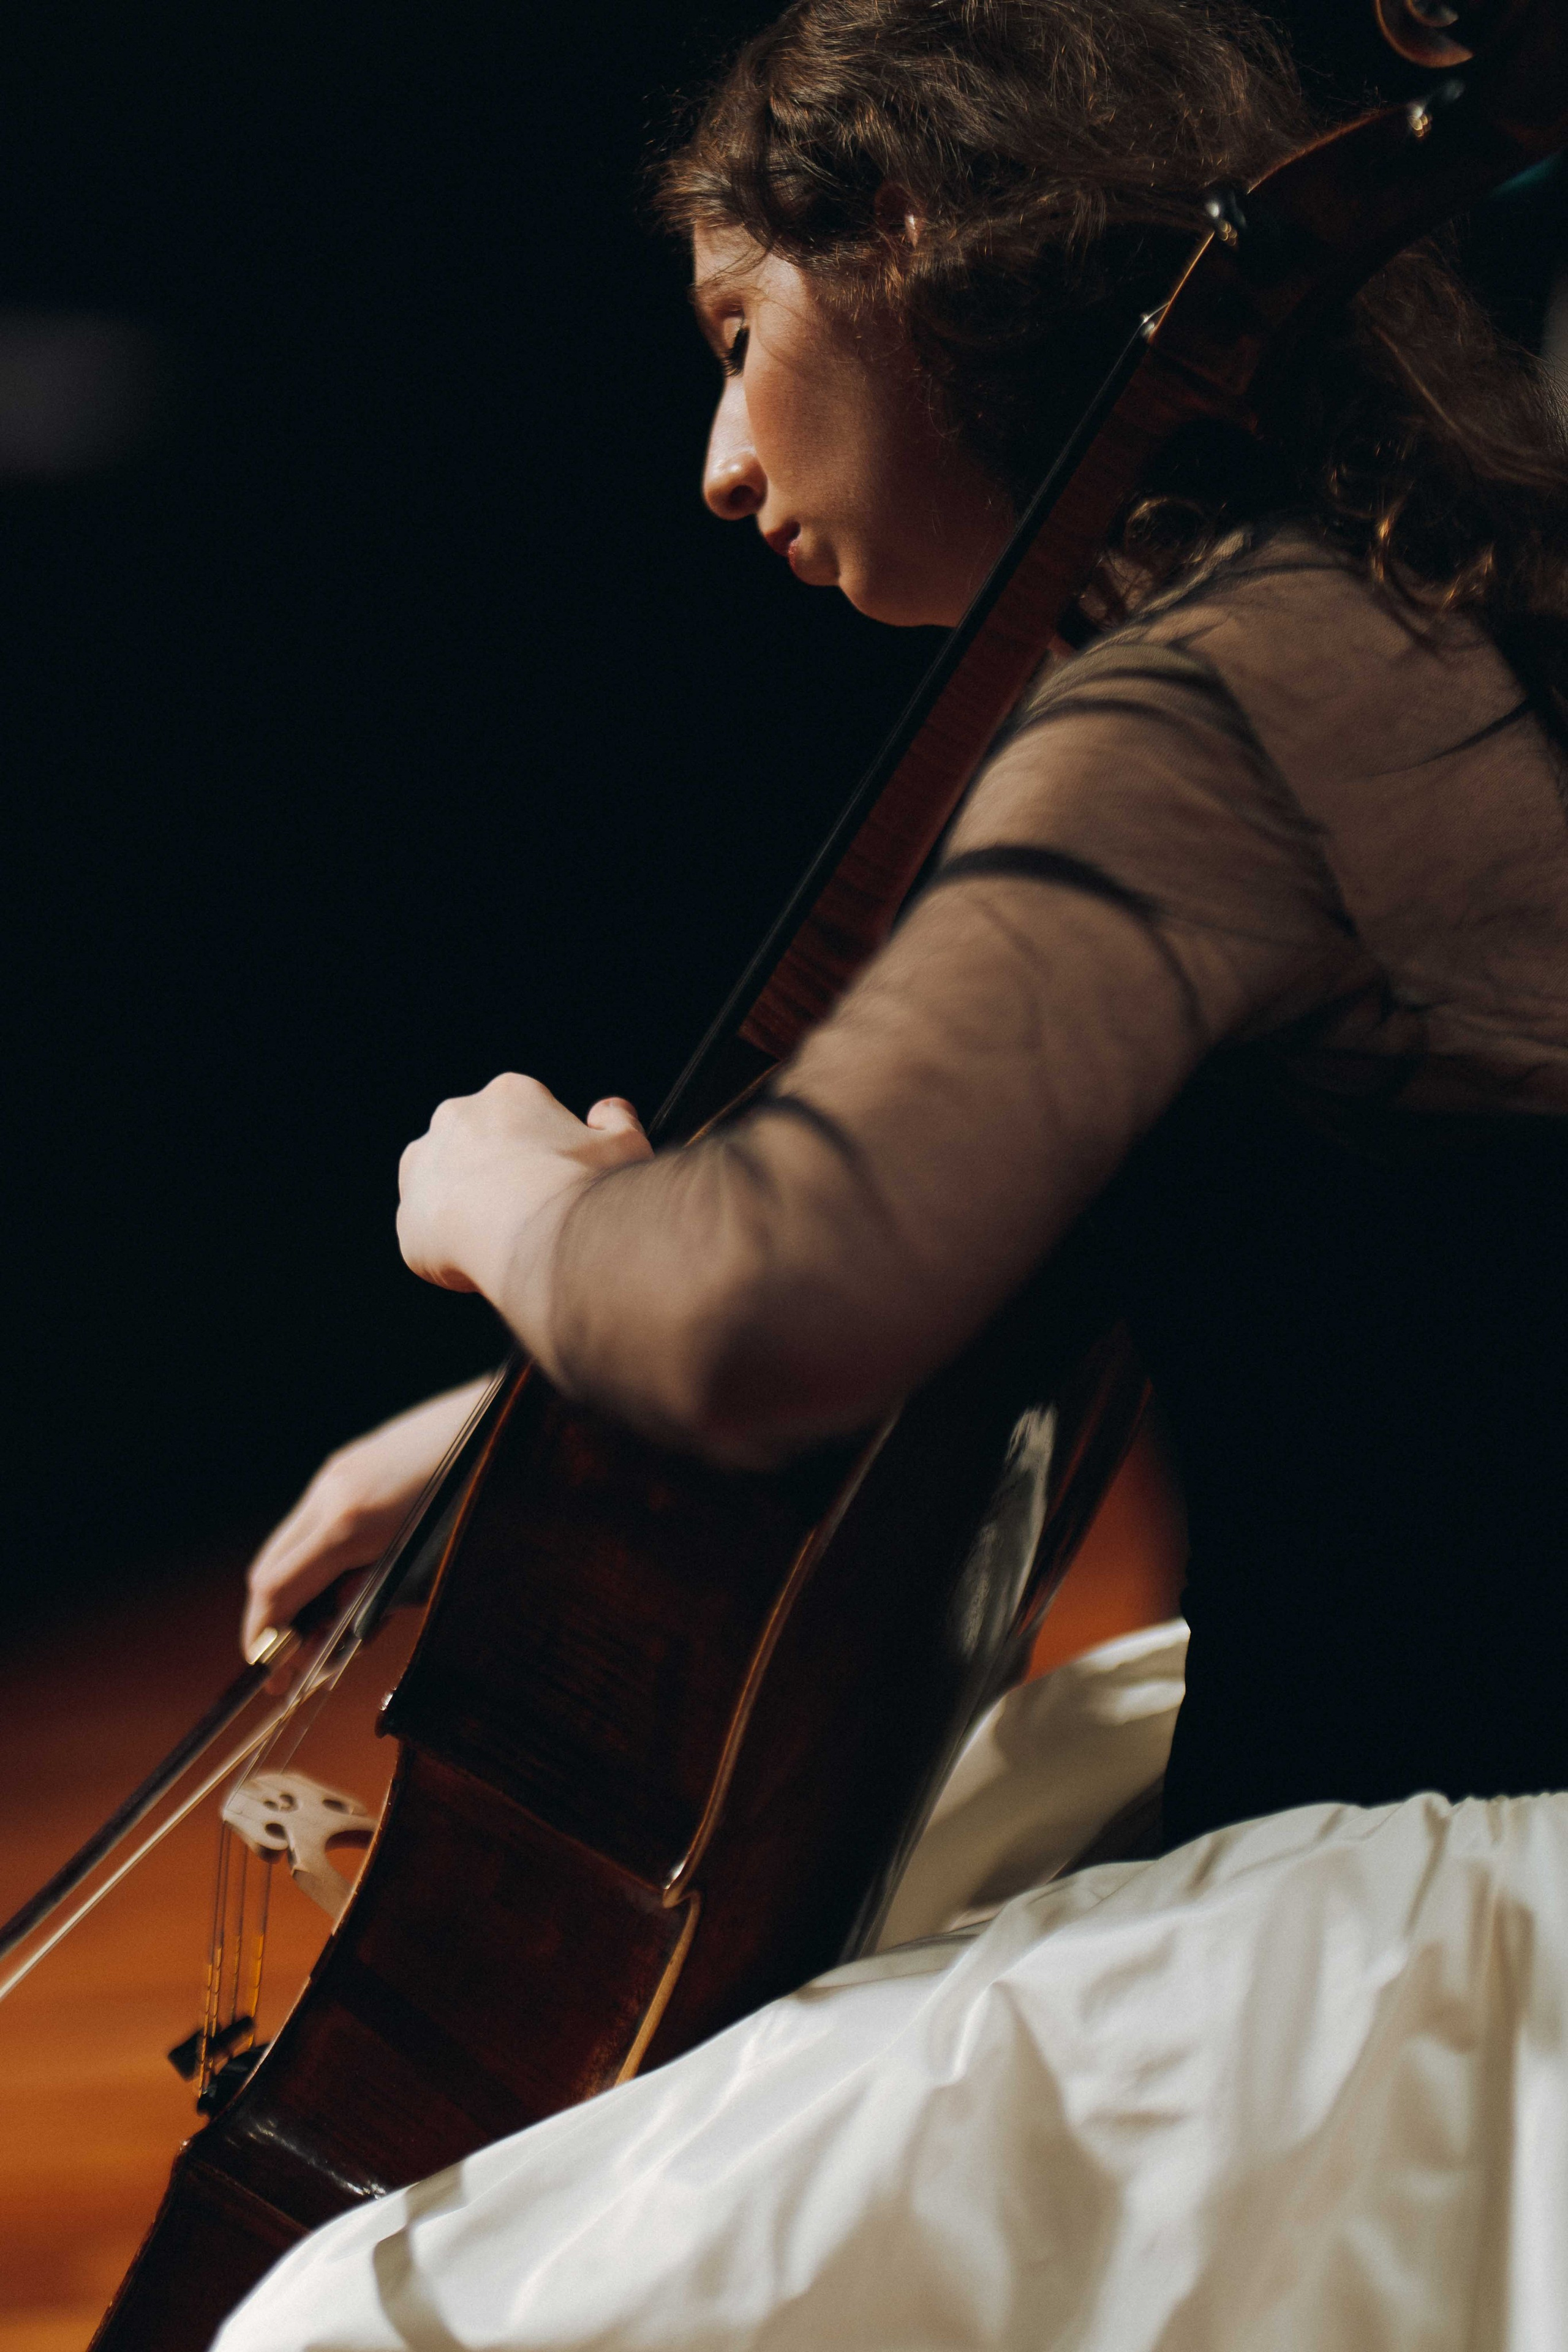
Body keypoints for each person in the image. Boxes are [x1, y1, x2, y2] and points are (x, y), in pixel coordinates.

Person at [220, 1, 1568, 2342]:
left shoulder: (1220, 704)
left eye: (742, 334)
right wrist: (512, 1437)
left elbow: (769, 1308)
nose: (722, 463)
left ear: (916, 230)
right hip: (1429, 1817)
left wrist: (504, 1196)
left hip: (1459, 1929)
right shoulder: (1390, 616)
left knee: (367, 2324)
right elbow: (1170, 1267)